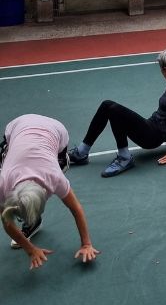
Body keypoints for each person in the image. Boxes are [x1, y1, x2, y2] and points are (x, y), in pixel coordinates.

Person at [68, 48, 166, 177]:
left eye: (161, 69)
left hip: (153, 136)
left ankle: (124, 158)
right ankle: (82, 152)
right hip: (151, 124)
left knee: (114, 109)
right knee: (108, 106)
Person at [0, 114, 99, 270]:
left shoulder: (54, 177)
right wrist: (30, 249)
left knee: (60, 165)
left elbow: (76, 208)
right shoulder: (3, 183)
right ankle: (33, 222)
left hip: (55, 130)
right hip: (17, 127)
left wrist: (86, 244)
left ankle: (62, 159)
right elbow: (6, 220)